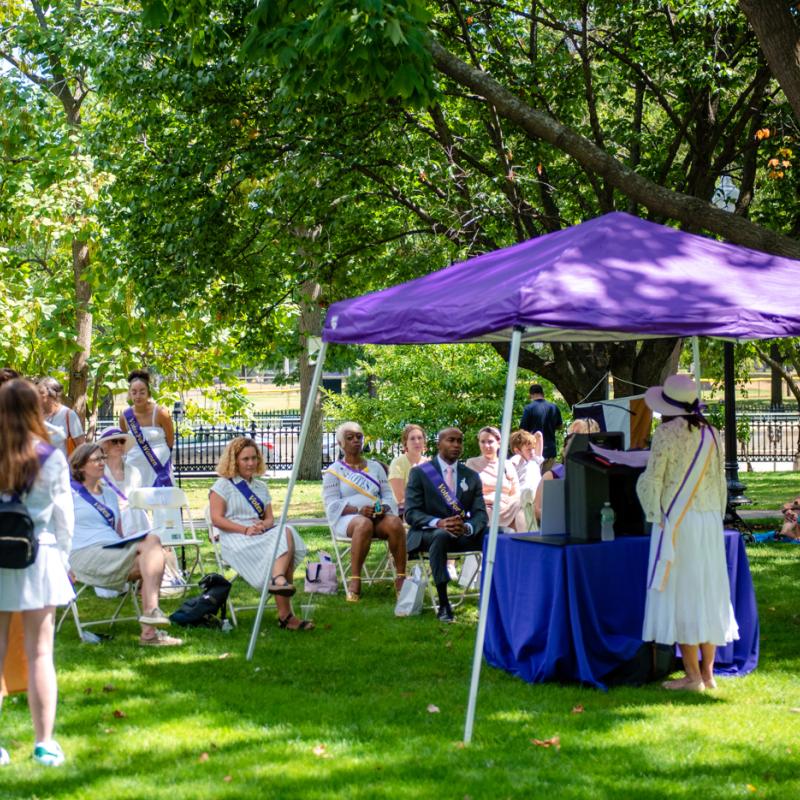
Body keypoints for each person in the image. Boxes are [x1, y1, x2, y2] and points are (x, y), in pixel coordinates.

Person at [637, 374, 738, 692]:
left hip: (677, 520)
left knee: (682, 593)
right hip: (707, 520)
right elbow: (719, 482)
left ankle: (694, 677)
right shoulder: (712, 432)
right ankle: (708, 676)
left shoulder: (665, 433)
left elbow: (653, 480)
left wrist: (653, 511)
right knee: (708, 593)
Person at [0, 378, 74, 767]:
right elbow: (65, 520)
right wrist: (64, 561)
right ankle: (44, 743)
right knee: (40, 653)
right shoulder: (51, 456)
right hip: (40, 558)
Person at [67, 443, 182, 647]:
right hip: (85, 555)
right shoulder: (67, 494)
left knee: (153, 545)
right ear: (80, 466)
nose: (102, 463)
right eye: (96, 460)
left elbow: (117, 532)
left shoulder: (109, 494)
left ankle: (149, 627)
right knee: (153, 545)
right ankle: (151, 622)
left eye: (102, 458)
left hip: (113, 551)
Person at [209, 437, 312, 631]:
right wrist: (246, 529)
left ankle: (278, 582)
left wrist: (262, 526)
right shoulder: (222, 486)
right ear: (234, 460)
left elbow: (270, 518)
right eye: (245, 459)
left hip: (260, 535)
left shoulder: (261, 487)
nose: (250, 463)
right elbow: (217, 519)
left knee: (285, 531)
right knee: (284, 546)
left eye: (254, 458)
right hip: (236, 538)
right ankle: (285, 613)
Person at [404, 427, 488, 623]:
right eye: (451, 440)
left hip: (461, 535)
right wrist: (439, 523)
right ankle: (443, 602)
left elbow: (480, 514)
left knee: (497, 534)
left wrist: (467, 527)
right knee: (441, 536)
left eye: (459, 441)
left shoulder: (471, 476)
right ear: (438, 444)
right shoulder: (420, 474)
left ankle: (498, 595)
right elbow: (411, 513)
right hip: (429, 535)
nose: (456, 445)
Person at [322, 422, 407, 602]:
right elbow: (331, 504)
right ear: (340, 443)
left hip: (376, 517)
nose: (355, 441)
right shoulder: (334, 471)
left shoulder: (376, 467)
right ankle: (355, 580)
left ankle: (401, 578)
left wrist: (381, 509)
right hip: (348, 520)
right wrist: (359, 510)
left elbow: (388, 496)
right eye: (350, 437)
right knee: (363, 523)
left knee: (395, 523)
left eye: (359, 437)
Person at [533, 417, 600, 523]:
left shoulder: (600, 473)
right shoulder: (552, 476)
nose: (571, 438)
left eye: (577, 434)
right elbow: (537, 510)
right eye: (570, 434)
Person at [119, 369, 174, 488]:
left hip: (160, 467)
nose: (138, 396)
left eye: (142, 392)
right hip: (135, 468)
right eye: (134, 392)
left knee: (162, 502)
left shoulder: (161, 413)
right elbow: (125, 442)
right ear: (129, 394)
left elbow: (170, 441)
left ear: (148, 393)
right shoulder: (124, 416)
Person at [465, 426, 525, 532]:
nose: (486, 445)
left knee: (522, 505)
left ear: (498, 443)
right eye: (482, 442)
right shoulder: (471, 463)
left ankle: (527, 543)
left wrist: (506, 503)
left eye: (490, 441)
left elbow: (516, 493)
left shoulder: (507, 465)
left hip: (507, 507)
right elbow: (468, 492)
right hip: (486, 509)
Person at [97, 427, 148, 536]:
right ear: (104, 445)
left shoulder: (134, 472)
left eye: (122, 441)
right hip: (108, 521)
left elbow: (138, 501)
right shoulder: (96, 472)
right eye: (114, 441)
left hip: (136, 521)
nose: (119, 445)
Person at [36, 377, 85, 457]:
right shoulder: (35, 416)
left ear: (52, 395)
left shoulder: (69, 415)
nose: (36, 396)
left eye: (40, 392)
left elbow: (82, 448)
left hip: (62, 468)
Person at [520, 384, 562, 473]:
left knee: (535, 481)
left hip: (534, 451)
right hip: (550, 450)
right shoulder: (554, 407)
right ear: (543, 393)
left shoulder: (529, 408)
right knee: (547, 482)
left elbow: (522, 431)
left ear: (531, 394)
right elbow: (560, 426)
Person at [388, 424, 429, 514]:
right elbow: (400, 497)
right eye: (412, 438)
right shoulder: (398, 463)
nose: (417, 441)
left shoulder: (429, 464)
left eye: (419, 438)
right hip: (403, 511)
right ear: (405, 443)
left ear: (424, 441)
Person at [509, 430, 543, 531]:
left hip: (538, 499)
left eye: (533, 448)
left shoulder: (534, 461)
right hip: (525, 500)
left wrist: (531, 438)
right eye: (529, 450)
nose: (532, 452)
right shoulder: (518, 460)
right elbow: (512, 463)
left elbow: (539, 435)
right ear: (517, 451)